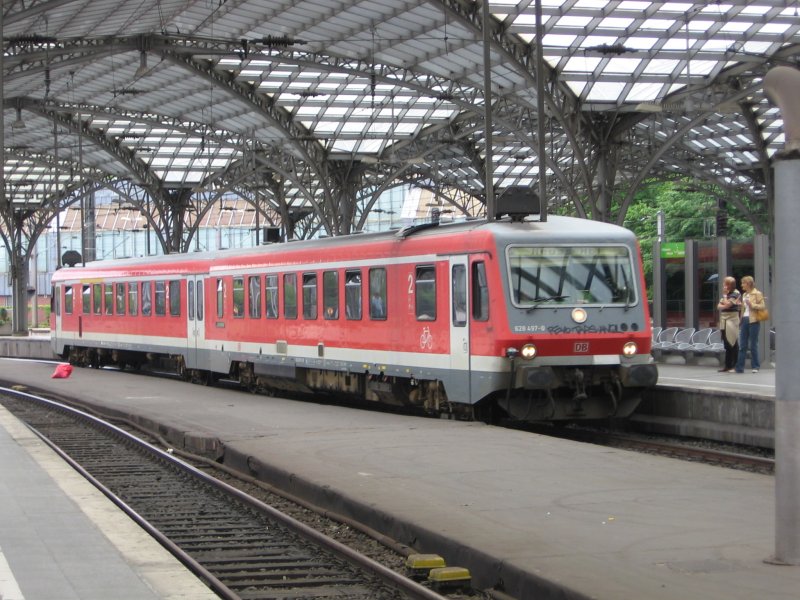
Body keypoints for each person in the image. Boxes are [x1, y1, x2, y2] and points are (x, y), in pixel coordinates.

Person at [735, 275, 767, 373]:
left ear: (748, 283)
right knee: (743, 345)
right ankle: (739, 368)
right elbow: (744, 309)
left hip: (754, 320)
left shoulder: (757, 293)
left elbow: (762, 306)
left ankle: (755, 366)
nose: (742, 285)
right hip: (744, 319)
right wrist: (740, 306)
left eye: (743, 283)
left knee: (753, 344)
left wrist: (751, 304)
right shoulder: (744, 295)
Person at [716, 276, 740, 372]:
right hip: (724, 319)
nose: (723, 285)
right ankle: (727, 365)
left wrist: (725, 298)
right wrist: (724, 302)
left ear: (729, 285)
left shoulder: (736, 293)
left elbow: (728, 304)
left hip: (732, 319)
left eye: (724, 283)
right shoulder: (726, 294)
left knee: (733, 342)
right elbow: (719, 306)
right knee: (726, 343)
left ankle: (735, 365)